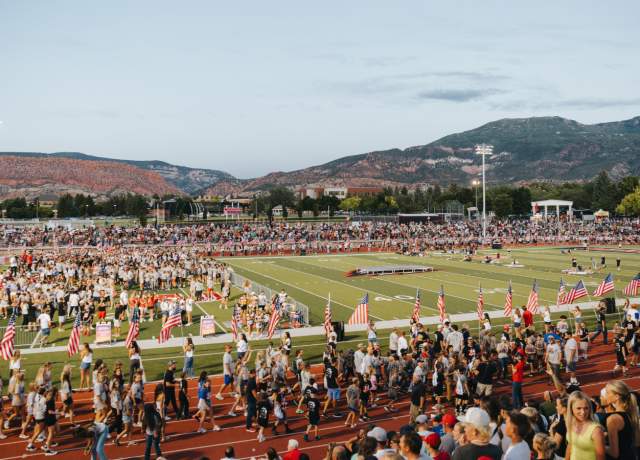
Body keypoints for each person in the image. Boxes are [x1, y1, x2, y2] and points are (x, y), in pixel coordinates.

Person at [601, 381, 639, 459]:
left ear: (616, 396)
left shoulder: (613, 419)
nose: (605, 395)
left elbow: (614, 453)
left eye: (607, 393)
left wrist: (598, 445)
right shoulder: (629, 414)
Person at [565, 391, 605, 460]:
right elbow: (571, 445)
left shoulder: (596, 430)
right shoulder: (571, 424)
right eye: (579, 408)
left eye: (586, 408)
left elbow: (601, 458)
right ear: (571, 408)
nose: (583, 412)